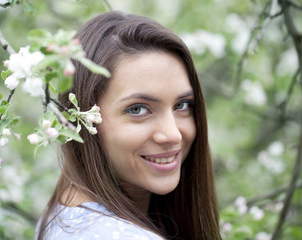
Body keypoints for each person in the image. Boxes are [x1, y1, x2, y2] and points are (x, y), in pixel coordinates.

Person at [36, 11, 221, 240]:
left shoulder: (65, 214)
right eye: (138, 109)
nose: (172, 134)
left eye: (182, 105)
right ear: (82, 118)